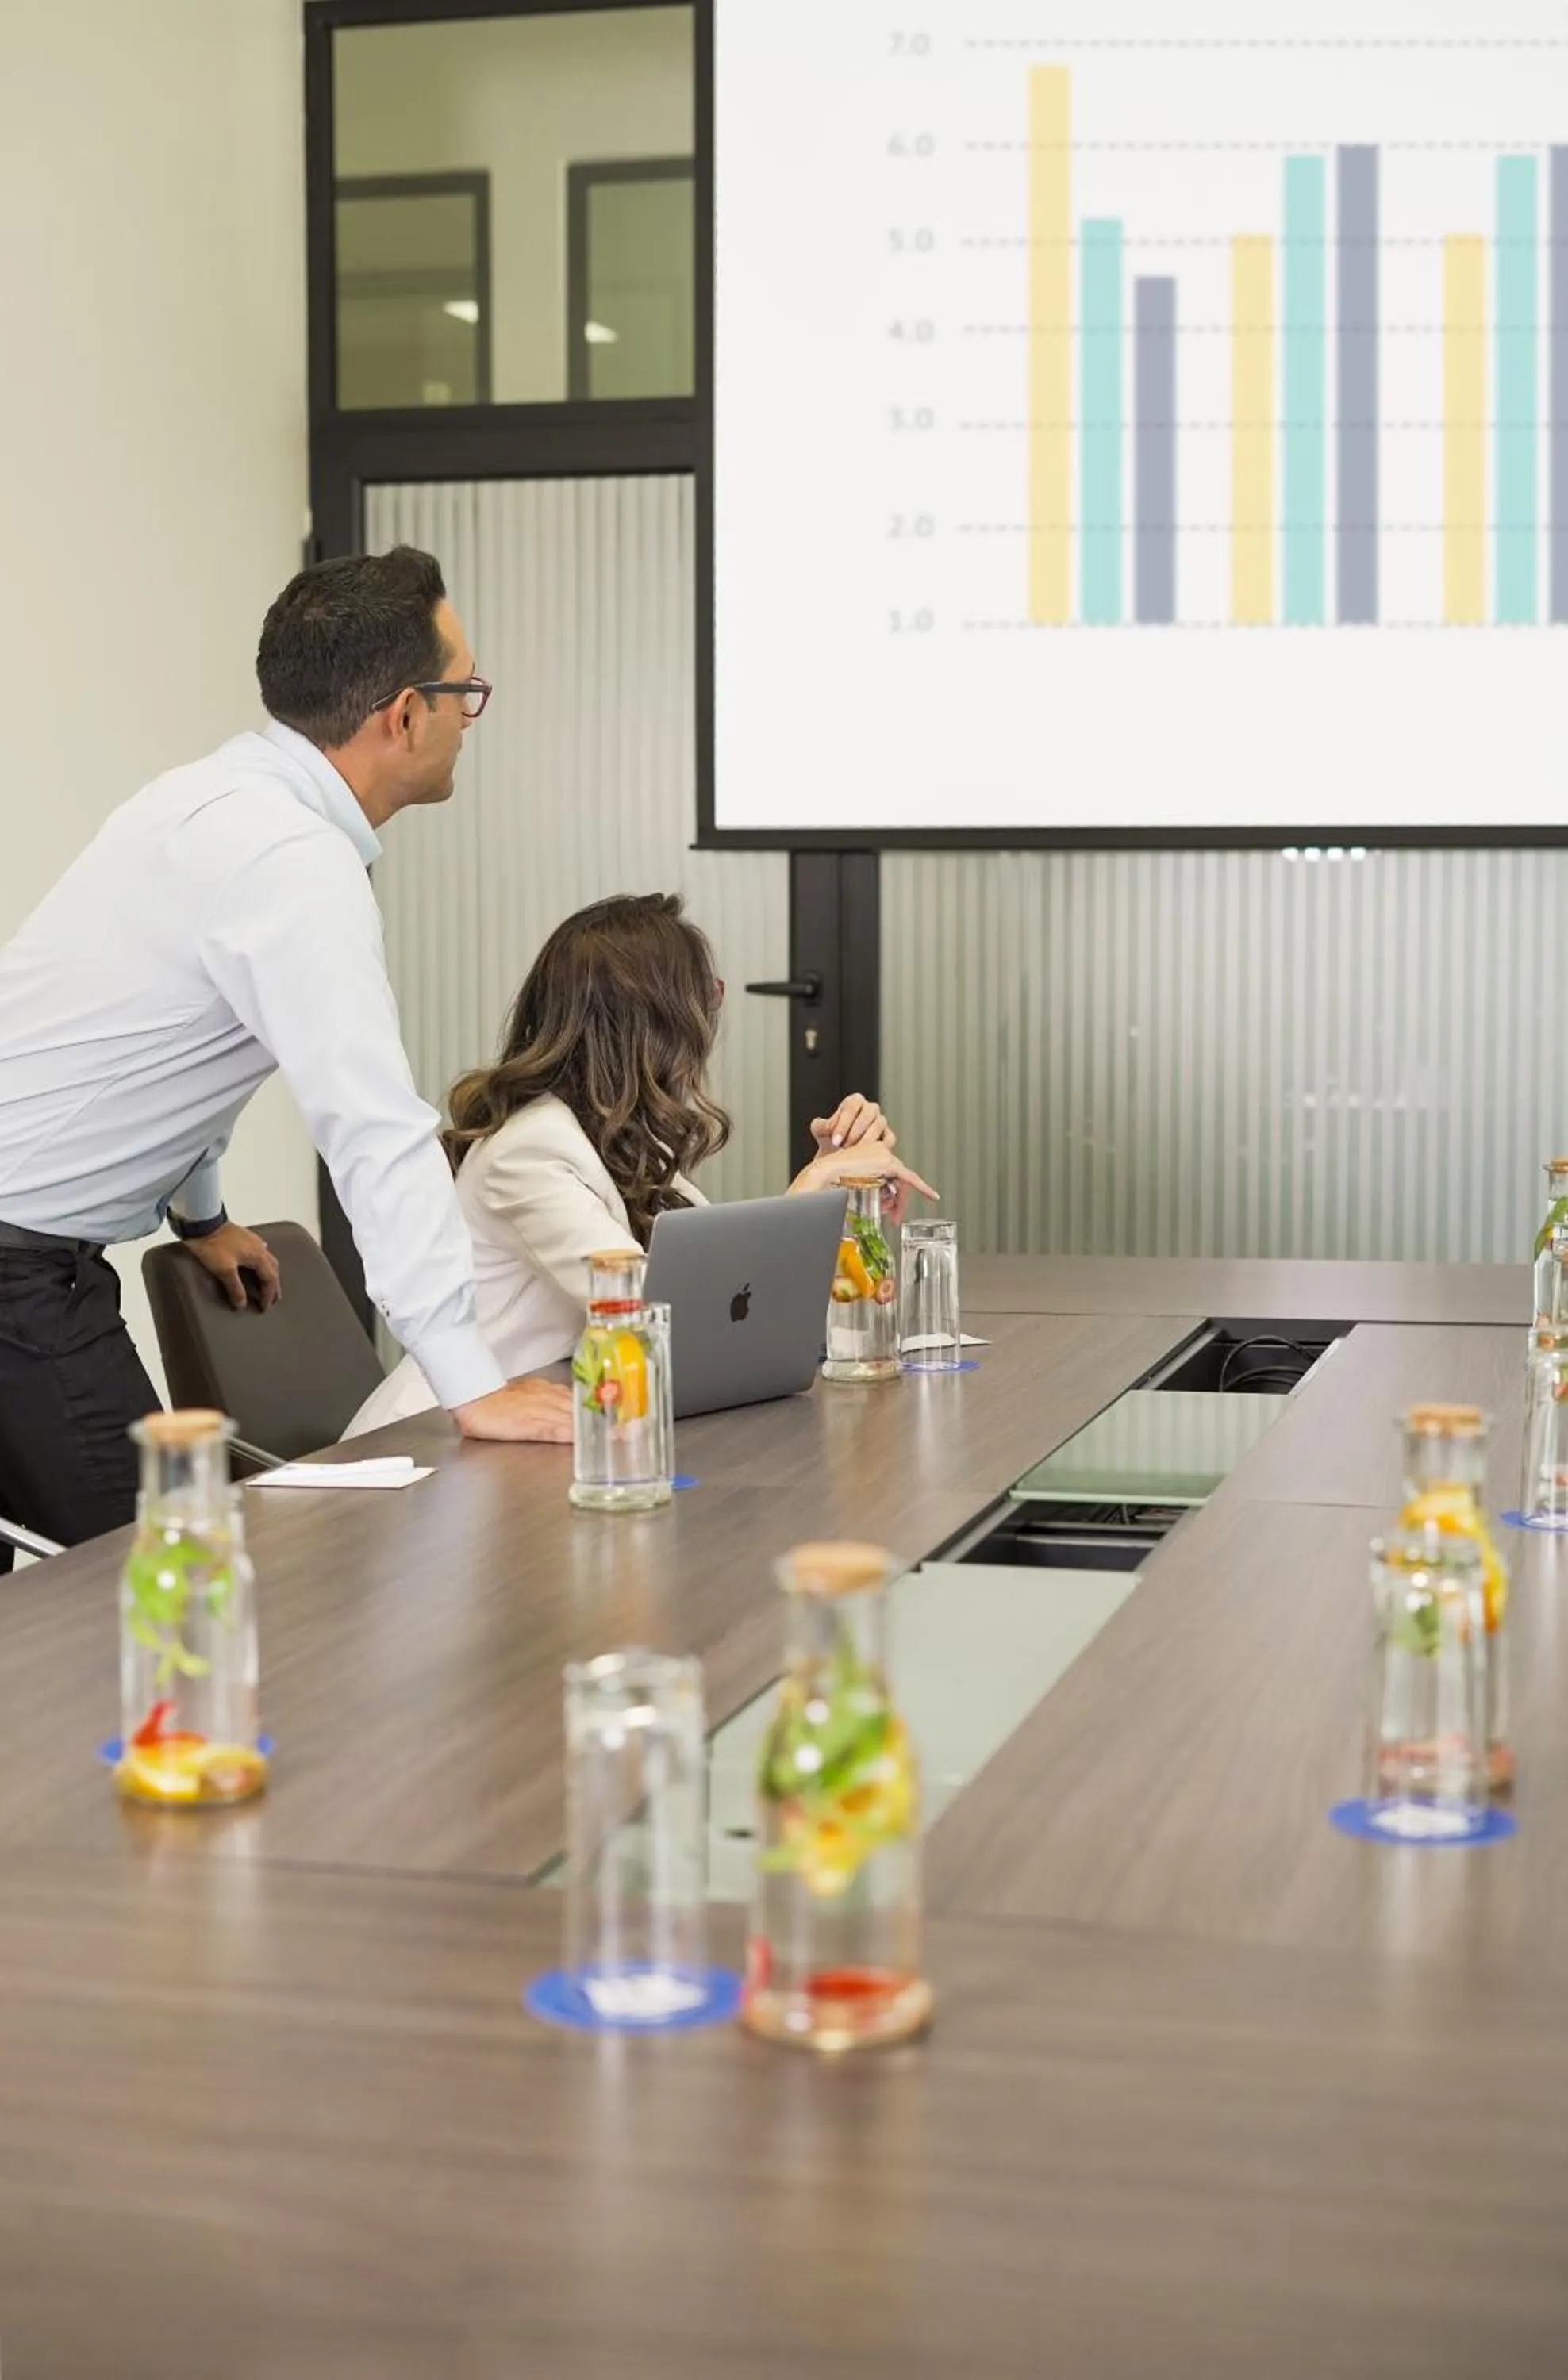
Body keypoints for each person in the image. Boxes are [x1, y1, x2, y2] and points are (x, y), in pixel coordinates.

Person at [0, 545, 571, 1569]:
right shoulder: (292, 861)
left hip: (29, 1249)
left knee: (71, 1609)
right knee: (164, 1582)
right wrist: (469, 1381)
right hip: (16, 1269)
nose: (469, 717)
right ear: (405, 715)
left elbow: (175, 1039)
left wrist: (201, 1215)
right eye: (465, 692)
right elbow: (373, 1127)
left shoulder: (206, 799)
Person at [347, 892, 935, 1435]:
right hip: (436, 1443)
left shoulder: (619, 1134)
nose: (713, 1018)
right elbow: (659, 1316)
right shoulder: (529, 1153)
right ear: (656, 1020)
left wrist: (834, 1181)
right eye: (706, 995)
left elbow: (730, 1304)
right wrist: (815, 1185)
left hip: (551, 1417)